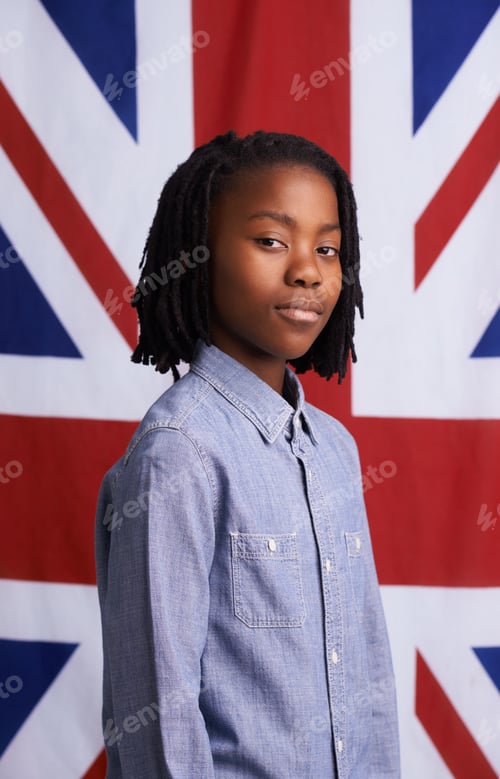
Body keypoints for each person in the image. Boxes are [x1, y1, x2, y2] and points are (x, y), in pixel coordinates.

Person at [95, 130, 400, 778]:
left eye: (327, 248)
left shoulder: (337, 452)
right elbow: (156, 713)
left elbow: (371, 674)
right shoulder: (178, 456)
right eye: (271, 240)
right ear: (197, 256)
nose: (307, 270)